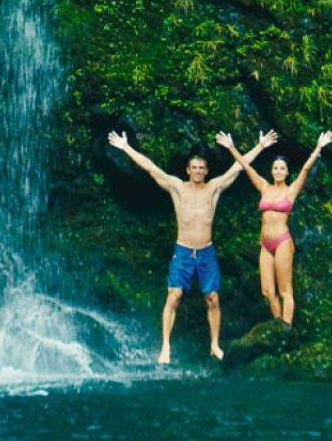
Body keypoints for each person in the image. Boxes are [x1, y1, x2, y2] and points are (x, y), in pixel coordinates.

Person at [108, 129, 278, 362]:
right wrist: (126, 147)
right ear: (188, 170)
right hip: (183, 251)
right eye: (194, 168)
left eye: (201, 168)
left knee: (213, 298)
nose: (198, 171)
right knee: (174, 296)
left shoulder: (214, 188)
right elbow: (150, 168)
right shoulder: (176, 187)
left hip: (206, 252)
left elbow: (238, 168)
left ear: (206, 171)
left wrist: (260, 146)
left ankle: (215, 345)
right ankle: (165, 346)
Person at [217, 130, 332, 327]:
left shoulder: (291, 190)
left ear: (287, 172)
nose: (278, 171)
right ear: (272, 171)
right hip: (265, 244)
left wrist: (318, 148)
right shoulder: (264, 187)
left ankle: (287, 329)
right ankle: (279, 326)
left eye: (282, 169)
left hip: (282, 242)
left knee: (285, 290)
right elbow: (246, 167)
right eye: (275, 168)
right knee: (267, 291)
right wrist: (231, 147)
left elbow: (305, 169)